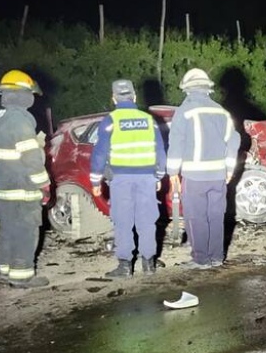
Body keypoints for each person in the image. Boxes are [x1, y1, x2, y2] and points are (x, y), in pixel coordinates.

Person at [90, 79, 166, 277]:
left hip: (121, 179)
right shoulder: (149, 120)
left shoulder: (110, 121)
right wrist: (158, 176)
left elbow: (99, 153)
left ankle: (125, 266)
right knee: (147, 220)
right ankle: (149, 264)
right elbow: (160, 151)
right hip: (147, 179)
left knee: (123, 220)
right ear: (134, 97)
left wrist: (96, 181)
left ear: (114, 98)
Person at [166, 68, 241, 269]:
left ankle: (201, 259)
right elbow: (234, 140)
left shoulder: (184, 111)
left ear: (187, 89)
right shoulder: (222, 112)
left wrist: (172, 172)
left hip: (194, 177)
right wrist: (229, 169)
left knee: (196, 217)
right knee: (216, 216)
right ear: (208, 89)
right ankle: (216, 257)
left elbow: (176, 142)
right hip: (218, 177)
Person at [0, 70, 51, 288]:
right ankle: (22, 277)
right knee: (25, 231)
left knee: (8, 230)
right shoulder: (22, 122)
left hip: (4, 189)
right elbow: (32, 160)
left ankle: (6, 270)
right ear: (23, 95)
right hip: (24, 190)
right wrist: (44, 184)